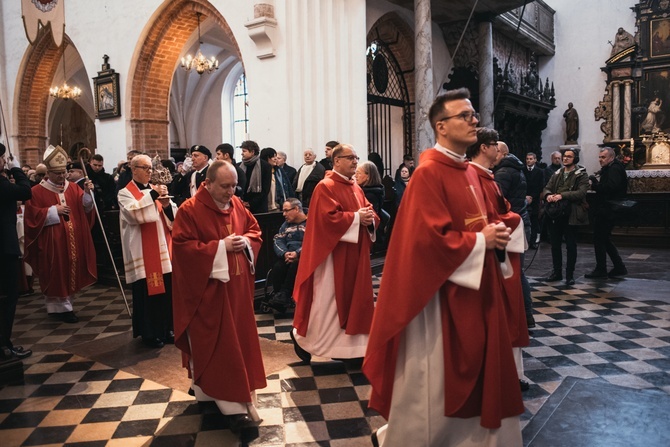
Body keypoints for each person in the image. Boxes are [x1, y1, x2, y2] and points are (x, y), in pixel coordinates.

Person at [363, 88, 523, 447]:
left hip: (477, 286)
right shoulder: (428, 174)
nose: (474, 121)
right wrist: (482, 240)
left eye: (474, 115)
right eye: (464, 116)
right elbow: (426, 242)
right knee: (436, 380)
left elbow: (480, 223)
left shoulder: (468, 172)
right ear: (441, 126)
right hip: (439, 296)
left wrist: (492, 233)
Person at [171, 160, 266, 439]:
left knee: (238, 344)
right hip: (209, 294)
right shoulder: (189, 210)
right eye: (225, 186)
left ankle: (208, 393)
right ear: (208, 183)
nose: (230, 191)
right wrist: (219, 248)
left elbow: (254, 231)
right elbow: (182, 249)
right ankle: (233, 408)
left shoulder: (236, 203)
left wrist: (246, 243)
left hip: (237, 293)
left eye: (234, 185)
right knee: (219, 346)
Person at [291, 144, 379, 364]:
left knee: (355, 300)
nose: (355, 161)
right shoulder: (326, 186)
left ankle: (351, 350)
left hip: (355, 256)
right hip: (333, 257)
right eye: (350, 158)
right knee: (329, 303)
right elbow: (326, 219)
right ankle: (307, 340)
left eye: (356, 158)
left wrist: (368, 219)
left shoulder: (356, 187)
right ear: (336, 160)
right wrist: (357, 218)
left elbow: (369, 212)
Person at [468, 130, 531, 392]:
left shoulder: (491, 179)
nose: (500, 150)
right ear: (484, 148)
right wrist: (515, 220)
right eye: (495, 145)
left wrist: (511, 218)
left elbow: (503, 210)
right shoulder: (471, 179)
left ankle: (508, 372)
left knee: (506, 315)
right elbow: (477, 221)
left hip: (500, 255)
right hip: (482, 259)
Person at [24, 145, 97, 323]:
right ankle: (59, 309)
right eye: (57, 173)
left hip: (73, 240)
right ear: (48, 172)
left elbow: (86, 208)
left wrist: (87, 193)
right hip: (51, 243)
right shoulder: (36, 191)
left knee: (70, 269)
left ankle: (66, 306)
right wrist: (52, 211)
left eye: (64, 172)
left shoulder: (72, 188)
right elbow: (31, 219)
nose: (62, 176)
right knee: (55, 270)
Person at [118, 154, 177, 348]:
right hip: (142, 253)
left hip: (161, 251)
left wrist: (167, 206)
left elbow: (172, 219)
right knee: (147, 294)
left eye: (151, 168)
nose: (150, 172)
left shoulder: (156, 190)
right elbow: (134, 214)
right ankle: (150, 333)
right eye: (146, 168)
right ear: (134, 170)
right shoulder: (125, 193)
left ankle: (167, 329)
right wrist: (153, 195)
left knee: (166, 292)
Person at [494, 141, 535, 330]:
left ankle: (524, 316)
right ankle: (525, 315)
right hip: (521, 223)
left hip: (513, 226)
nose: (493, 154)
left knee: (515, 273)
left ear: (501, 153)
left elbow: (497, 201)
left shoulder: (504, 172)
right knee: (517, 272)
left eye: (495, 151)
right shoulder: (515, 168)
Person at [0, 143, 33, 360]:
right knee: (7, 299)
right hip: (4, 248)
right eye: (2, 158)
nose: (4, 161)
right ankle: (4, 347)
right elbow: (25, 190)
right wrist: (17, 169)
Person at [541, 148, 589, 285]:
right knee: (555, 244)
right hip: (556, 213)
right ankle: (557, 272)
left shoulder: (581, 174)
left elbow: (581, 193)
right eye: (564, 156)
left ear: (575, 159)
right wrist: (548, 195)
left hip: (571, 213)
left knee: (570, 245)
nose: (565, 158)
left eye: (569, 156)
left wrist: (562, 195)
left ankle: (569, 275)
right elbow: (547, 187)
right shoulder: (558, 173)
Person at [585, 147, 628, 279]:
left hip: (608, 209)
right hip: (606, 209)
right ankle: (619, 267)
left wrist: (595, 186)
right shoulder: (612, 167)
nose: (600, 160)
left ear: (611, 157)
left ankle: (601, 269)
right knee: (604, 239)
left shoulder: (614, 168)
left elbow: (611, 188)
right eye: (599, 157)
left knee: (599, 239)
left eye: (603, 157)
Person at [264, 198, 307, 312]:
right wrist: (285, 254)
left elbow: (313, 241)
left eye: (286, 210)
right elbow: (278, 240)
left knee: (296, 265)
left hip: (305, 257)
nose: (284, 214)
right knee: (278, 266)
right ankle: (280, 297)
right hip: (288, 255)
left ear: (297, 209)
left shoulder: (311, 222)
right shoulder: (285, 225)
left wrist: (297, 253)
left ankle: (284, 295)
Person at [356, 161, 386, 253]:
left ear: (368, 176)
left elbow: (371, 217)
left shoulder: (370, 194)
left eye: (358, 173)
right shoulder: (374, 190)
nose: (355, 176)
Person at [239, 140, 272, 214]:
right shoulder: (239, 166)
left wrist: (250, 203)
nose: (242, 153)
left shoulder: (265, 166)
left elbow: (265, 189)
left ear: (252, 152)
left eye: (244, 151)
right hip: (242, 206)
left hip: (259, 207)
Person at [260, 147, 295, 212]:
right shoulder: (261, 172)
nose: (275, 159)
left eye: (276, 156)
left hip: (279, 206)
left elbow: (288, 188)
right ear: (266, 158)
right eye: (273, 157)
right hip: (265, 207)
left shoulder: (279, 171)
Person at [524, 152, 544, 249]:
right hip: (524, 199)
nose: (529, 160)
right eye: (527, 159)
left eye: (531, 159)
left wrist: (532, 197)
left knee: (534, 221)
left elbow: (541, 186)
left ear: (535, 160)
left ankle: (533, 242)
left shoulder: (540, 172)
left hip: (535, 200)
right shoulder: (522, 170)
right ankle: (525, 242)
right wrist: (526, 196)